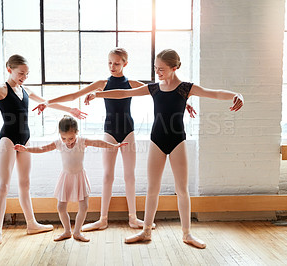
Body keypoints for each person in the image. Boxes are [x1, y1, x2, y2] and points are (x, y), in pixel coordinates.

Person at [85, 49, 244, 248]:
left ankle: (187, 234)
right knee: (153, 189)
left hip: (177, 141)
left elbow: (214, 93)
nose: (157, 72)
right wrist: (97, 94)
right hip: (156, 141)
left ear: (174, 68)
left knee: (182, 189)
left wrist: (236, 95)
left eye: (161, 69)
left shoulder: (185, 88)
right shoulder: (154, 88)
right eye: (155, 69)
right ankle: (145, 231)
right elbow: (125, 92)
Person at [33, 48, 196, 231]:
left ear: (125, 64)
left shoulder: (132, 83)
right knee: (107, 176)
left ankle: (133, 218)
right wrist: (48, 102)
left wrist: (186, 103)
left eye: (117, 63)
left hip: (128, 131)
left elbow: (163, 91)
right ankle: (103, 219)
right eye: (110, 62)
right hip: (109, 131)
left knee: (129, 176)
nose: (112, 66)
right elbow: (74, 96)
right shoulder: (102, 83)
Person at [0, 54, 87, 252]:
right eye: (21, 73)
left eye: (27, 74)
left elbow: (47, 101)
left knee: (25, 183)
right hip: (8, 139)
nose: (24, 77)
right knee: (4, 185)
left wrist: (70, 110)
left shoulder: (24, 90)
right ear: (9, 69)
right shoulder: (1, 89)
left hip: (26, 138)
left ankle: (31, 223)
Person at [14, 115, 128, 242]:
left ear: (77, 133)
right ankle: (67, 231)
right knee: (61, 207)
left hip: (79, 177)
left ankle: (77, 232)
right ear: (60, 134)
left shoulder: (82, 141)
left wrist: (114, 146)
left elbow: (98, 142)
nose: (68, 141)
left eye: (71, 138)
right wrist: (26, 149)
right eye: (64, 138)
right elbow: (42, 148)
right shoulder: (58, 143)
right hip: (66, 178)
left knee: (84, 206)